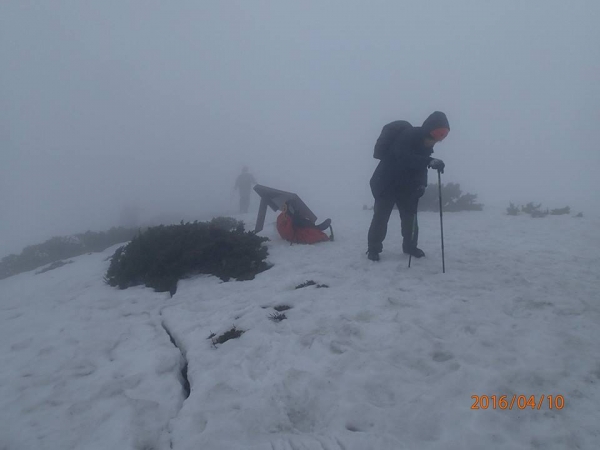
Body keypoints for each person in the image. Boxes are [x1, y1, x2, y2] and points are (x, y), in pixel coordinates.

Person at [367, 111, 450, 261]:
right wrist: (428, 161)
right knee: (381, 217)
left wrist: (422, 185)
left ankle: (410, 246)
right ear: (430, 129)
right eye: (439, 135)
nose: (438, 140)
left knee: (410, 218)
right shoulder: (409, 135)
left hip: (406, 186)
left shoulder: (426, 144)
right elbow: (402, 157)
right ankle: (373, 249)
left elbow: (420, 168)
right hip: (386, 182)